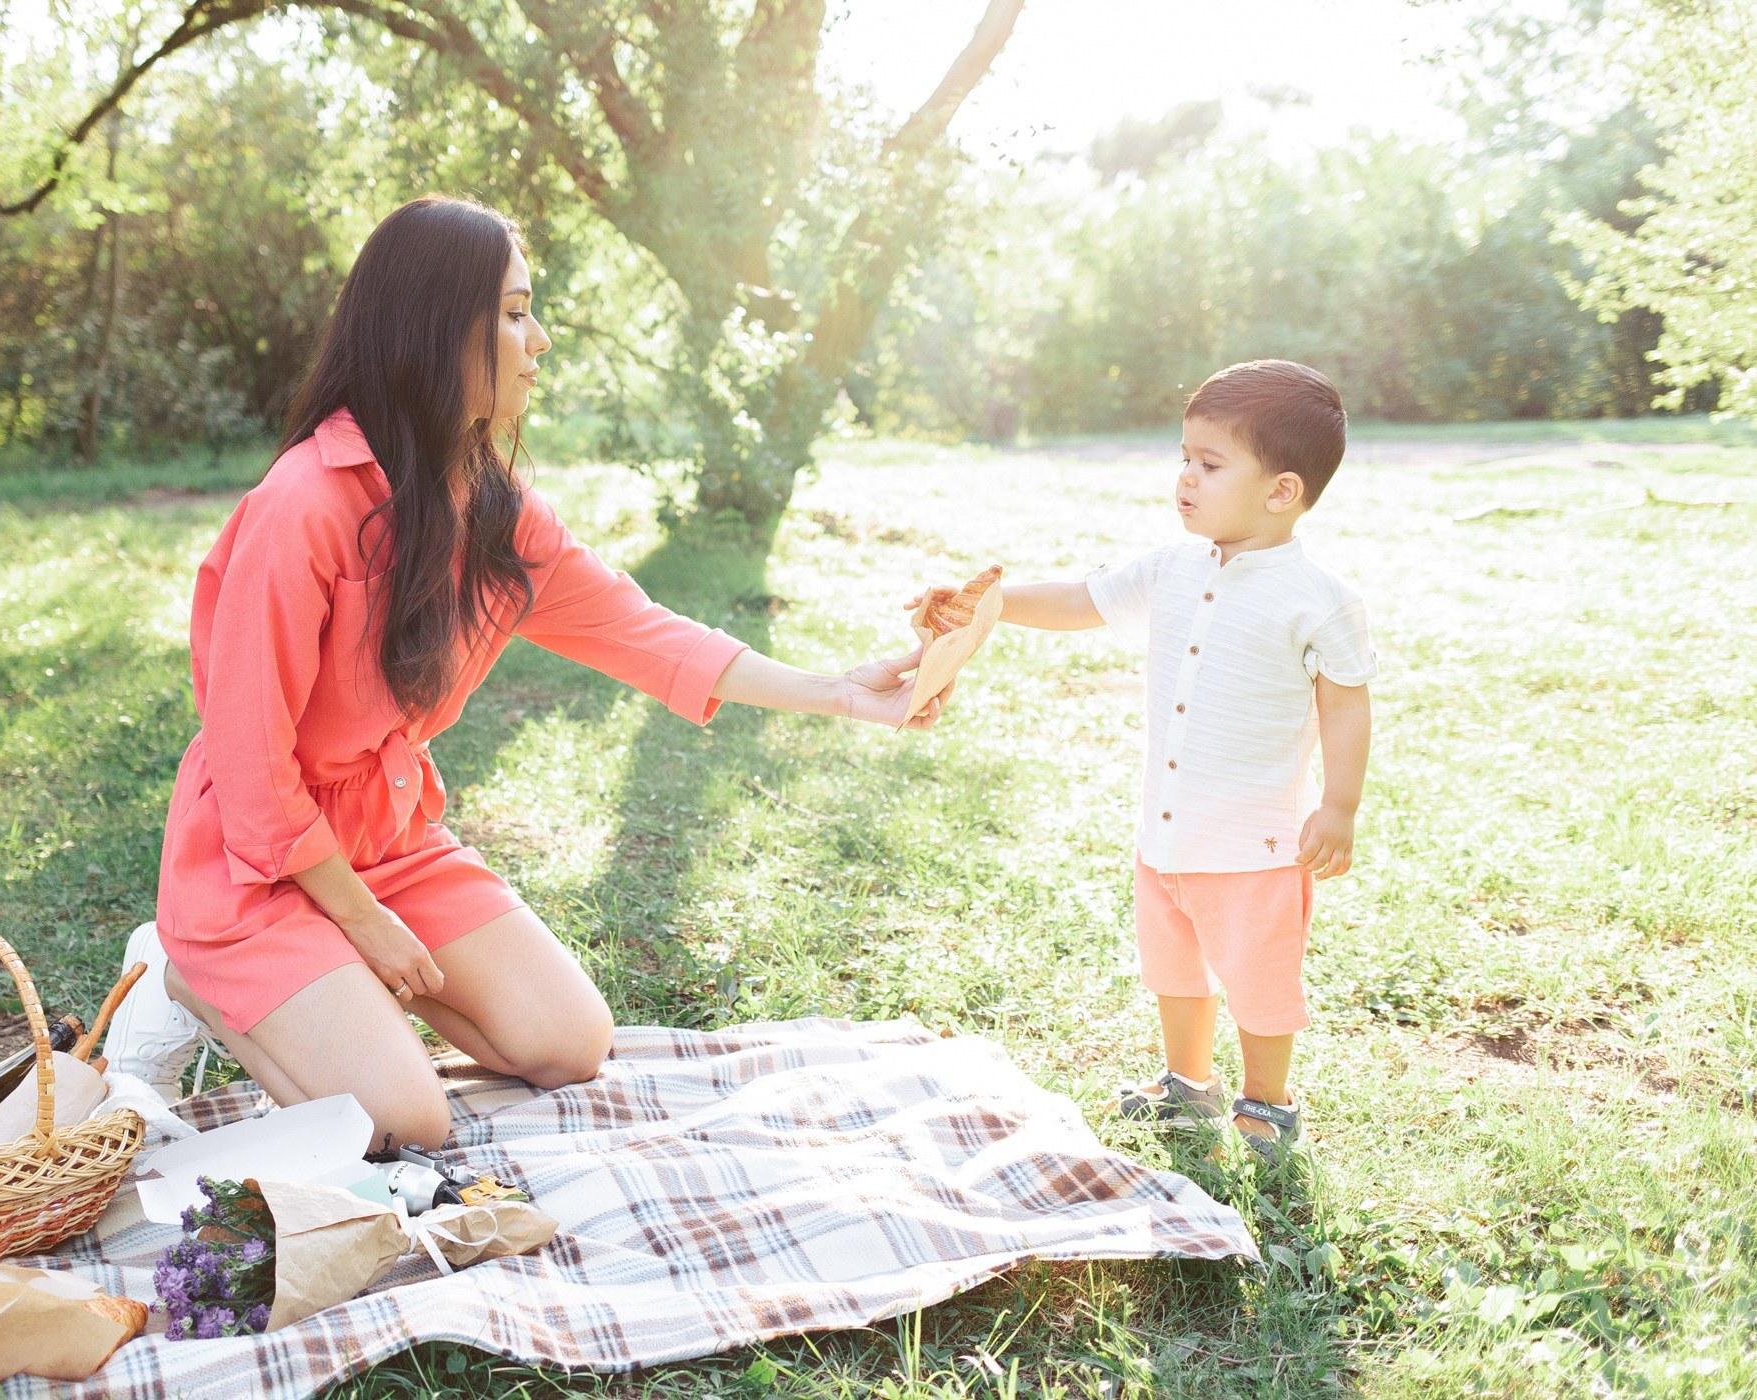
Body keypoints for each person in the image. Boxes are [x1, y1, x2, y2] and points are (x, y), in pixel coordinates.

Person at [101, 196, 946, 1150]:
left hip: (386, 838)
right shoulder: (302, 507)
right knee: (403, 1121)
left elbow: (640, 630)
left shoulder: (491, 506)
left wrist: (839, 691)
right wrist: (364, 924)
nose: (537, 339)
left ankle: (327, 988)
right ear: (434, 328)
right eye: (512, 313)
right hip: (258, 861)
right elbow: (251, 767)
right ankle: (183, 971)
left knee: (569, 1041)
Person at [935, 359, 1374, 1162]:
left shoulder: (1317, 598)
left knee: (1259, 980)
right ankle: (1187, 1082)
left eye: (1209, 465)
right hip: (1167, 832)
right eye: (1184, 457)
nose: (1185, 478)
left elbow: (1346, 702)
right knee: (1174, 967)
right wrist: (989, 602)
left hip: (1254, 844)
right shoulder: (1171, 568)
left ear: (1281, 491)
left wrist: (1338, 805)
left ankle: (1266, 1103)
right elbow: (1079, 600)